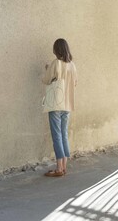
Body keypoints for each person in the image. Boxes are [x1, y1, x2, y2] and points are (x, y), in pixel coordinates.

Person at [42, 38, 77, 177]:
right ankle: (64, 167)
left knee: (57, 136)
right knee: (64, 135)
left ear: (56, 50)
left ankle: (58, 169)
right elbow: (75, 83)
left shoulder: (56, 63)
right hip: (67, 105)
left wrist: (47, 69)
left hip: (56, 104)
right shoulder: (72, 65)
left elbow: (45, 80)